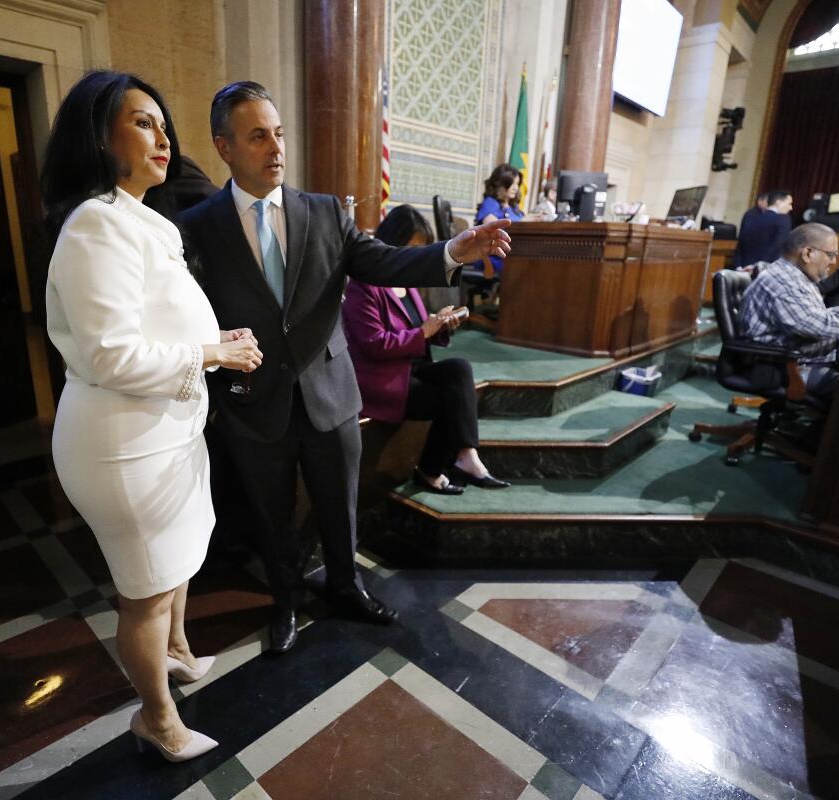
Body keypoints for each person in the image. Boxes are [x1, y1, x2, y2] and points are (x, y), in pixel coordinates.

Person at [176, 81, 511, 655]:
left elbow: (385, 261)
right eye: (258, 136)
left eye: (279, 134)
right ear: (224, 147)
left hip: (329, 390)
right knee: (273, 516)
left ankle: (347, 586)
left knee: (339, 505)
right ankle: (283, 603)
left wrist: (453, 252)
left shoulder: (324, 212)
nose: (276, 148)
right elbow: (188, 306)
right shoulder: (197, 225)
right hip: (253, 399)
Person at [41, 71, 262, 762]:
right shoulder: (96, 223)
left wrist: (214, 346)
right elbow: (110, 354)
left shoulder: (140, 218)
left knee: (176, 563)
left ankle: (177, 649)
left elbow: (154, 324)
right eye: (143, 122)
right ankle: (157, 719)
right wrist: (210, 356)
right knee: (145, 587)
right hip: (122, 444)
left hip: (164, 433)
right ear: (97, 135)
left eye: (163, 123)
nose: (163, 136)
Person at [342, 205, 510, 495]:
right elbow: (374, 344)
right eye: (412, 246)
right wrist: (423, 331)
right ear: (393, 240)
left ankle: (467, 455)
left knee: (459, 369)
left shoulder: (406, 281)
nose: (417, 255)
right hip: (382, 379)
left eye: (421, 248)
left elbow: (419, 330)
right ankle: (433, 470)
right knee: (448, 398)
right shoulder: (365, 284)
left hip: (410, 366)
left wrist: (441, 326)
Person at [738, 222, 839, 403]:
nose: (833, 261)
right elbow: (821, 327)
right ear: (808, 253)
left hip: (794, 360)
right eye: (831, 254)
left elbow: (815, 318)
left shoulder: (795, 276)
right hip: (783, 367)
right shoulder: (785, 282)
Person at [475, 163, 524, 274]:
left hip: (513, 253)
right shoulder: (490, 203)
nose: (516, 188)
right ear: (501, 184)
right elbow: (493, 229)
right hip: (495, 258)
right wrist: (525, 221)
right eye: (513, 184)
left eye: (517, 184)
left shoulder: (513, 207)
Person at [734, 190, 793, 269]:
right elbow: (777, 245)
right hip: (766, 270)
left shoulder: (751, 216)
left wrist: (739, 266)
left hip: (744, 267)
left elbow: (741, 243)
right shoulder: (784, 219)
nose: (791, 208)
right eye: (789, 204)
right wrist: (756, 266)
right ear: (778, 202)